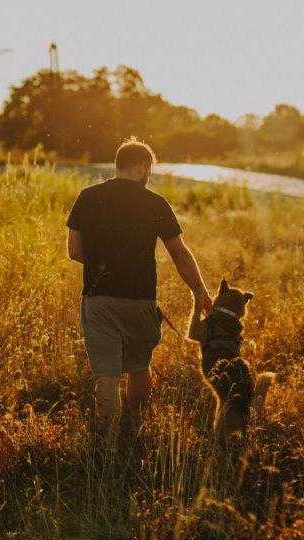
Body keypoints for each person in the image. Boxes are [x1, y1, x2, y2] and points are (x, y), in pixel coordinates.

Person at [66, 137, 212, 432]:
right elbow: (180, 254)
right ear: (142, 167)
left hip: (98, 297)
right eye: (150, 169)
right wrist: (199, 290)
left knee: (107, 373)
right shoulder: (155, 203)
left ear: (118, 165)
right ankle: (132, 426)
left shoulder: (88, 197)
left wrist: (105, 264)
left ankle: (107, 439)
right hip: (141, 299)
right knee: (138, 365)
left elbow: (74, 251)